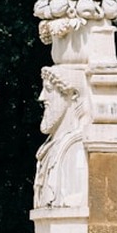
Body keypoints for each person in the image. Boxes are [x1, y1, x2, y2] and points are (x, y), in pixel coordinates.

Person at [32, 66, 87, 208]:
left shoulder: (74, 148)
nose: (42, 97)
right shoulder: (51, 146)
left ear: (73, 94)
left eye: (49, 90)